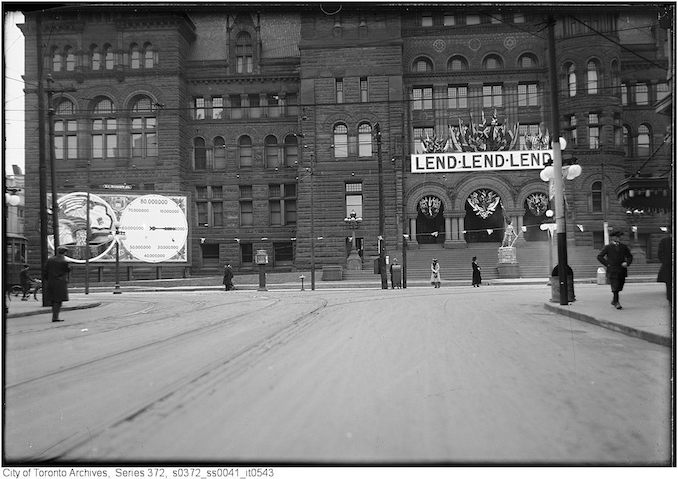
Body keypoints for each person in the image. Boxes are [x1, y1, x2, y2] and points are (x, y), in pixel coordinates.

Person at [597, 229, 633, 310]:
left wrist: (627, 263)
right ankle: (616, 302)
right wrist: (607, 264)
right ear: (612, 238)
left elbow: (630, 256)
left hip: (622, 270)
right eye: (616, 237)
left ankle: (614, 300)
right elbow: (599, 256)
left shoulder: (623, 247)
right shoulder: (608, 247)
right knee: (615, 286)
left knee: (620, 286)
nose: (618, 238)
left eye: (619, 237)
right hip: (612, 270)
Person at [43, 246, 71, 322]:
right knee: (58, 301)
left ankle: (54, 316)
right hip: (60, 282)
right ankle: (55, 317)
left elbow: (45, 271)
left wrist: (48, 279)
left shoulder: (50, 260)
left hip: (51, 282)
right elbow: (67, 270)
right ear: (64, 252)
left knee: (53, 299)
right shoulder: (64, 261)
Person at [657, 235, 672, 303]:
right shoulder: (665, 241)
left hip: (668, 266)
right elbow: (660, 254)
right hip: (668, 267)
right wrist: (666, 262)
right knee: (669, 284)